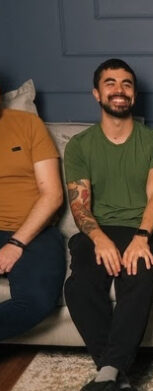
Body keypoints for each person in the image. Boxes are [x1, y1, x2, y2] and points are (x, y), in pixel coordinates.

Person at [64, 59, 153, 391]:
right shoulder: (80, 145)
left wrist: (141, 237)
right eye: (110, 83)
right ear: (97, 93)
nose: (119, 89)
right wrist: (99, 239)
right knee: (78, 286)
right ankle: (117, 381)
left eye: (126, 84)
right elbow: (80, 204)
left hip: (143, 230)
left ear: (134, 94)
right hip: (97, 231)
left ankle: (107, 376)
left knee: (138, 276)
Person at [0, 89, 65, 338]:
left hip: (34, 231)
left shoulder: (28, 124)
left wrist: (16, 243)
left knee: (36, 301)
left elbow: (53, 195)